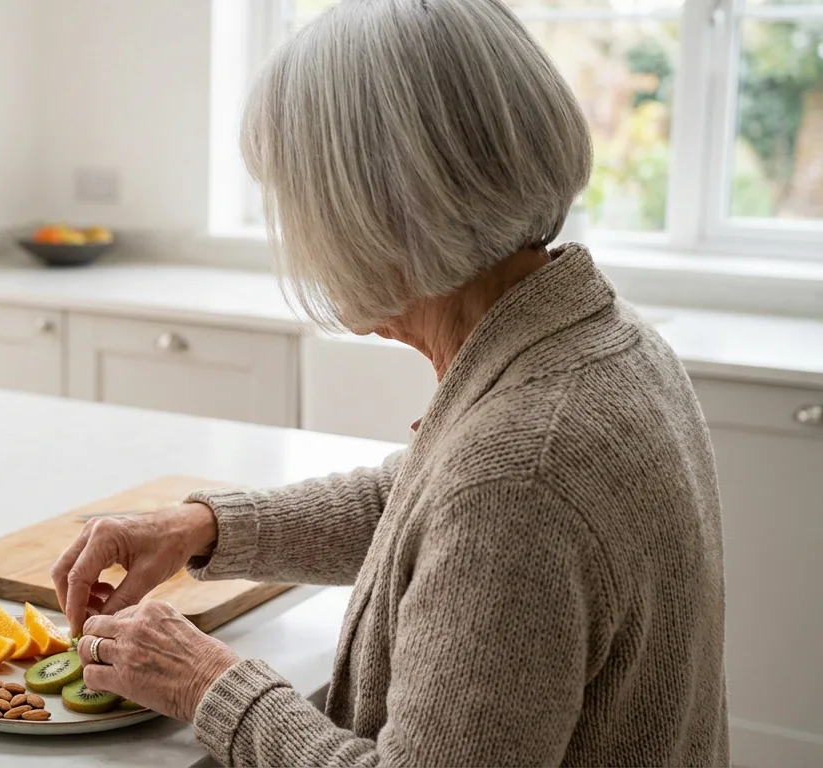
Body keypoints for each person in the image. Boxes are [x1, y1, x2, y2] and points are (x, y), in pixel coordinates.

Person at [49, 0, 730, 765]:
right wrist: (203, 527)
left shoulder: (519, 473)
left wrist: (208, 682)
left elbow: (486, 506)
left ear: (376, 211)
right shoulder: (602, 342)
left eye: (296, 199)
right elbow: (423, 504)